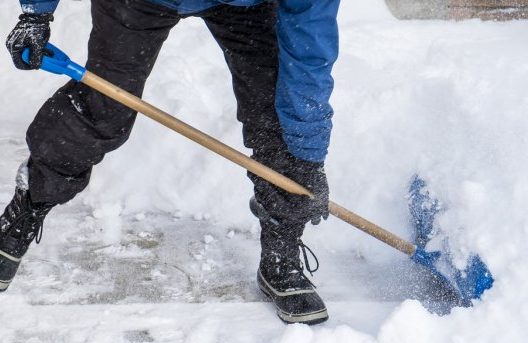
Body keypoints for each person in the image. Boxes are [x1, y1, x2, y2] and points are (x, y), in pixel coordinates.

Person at [0, 0, 339, 325]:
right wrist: (36, 12)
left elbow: (310, 46)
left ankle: (281, 252)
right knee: (103, 110)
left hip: (245, 5)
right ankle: (30, 202)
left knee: (279, 119)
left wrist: (307, 158)